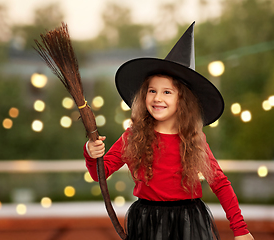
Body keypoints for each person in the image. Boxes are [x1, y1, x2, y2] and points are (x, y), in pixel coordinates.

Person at [83, 22, 254, 240]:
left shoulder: (194, 139)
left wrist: (240, 229)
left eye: (167, 92)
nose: (157, 98)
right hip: (147, 223)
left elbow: (220, 183)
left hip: (188, 223)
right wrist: (91, 152)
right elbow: (99, 173)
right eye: (152, 90)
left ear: (183, 100)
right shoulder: (134, 136)